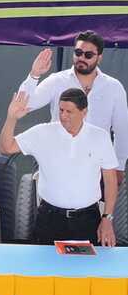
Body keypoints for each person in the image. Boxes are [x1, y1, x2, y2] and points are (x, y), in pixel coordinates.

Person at [0, 89, 118, 247]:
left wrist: (107, 218)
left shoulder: (100, 137)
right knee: (44, 269)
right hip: (49, 218)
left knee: (85, 270)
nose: (63, 116)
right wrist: (11, 118)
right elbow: (5, 147)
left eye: (69, 111)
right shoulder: (43, 132)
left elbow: (110, 181)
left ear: (84, 112)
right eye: (61, 110)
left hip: (87, 220)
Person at [20, 30, 128, 183]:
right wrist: (34, 75)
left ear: (100, 57)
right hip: (58, 160)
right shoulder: (57, 81)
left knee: (99, 207)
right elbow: (25, 104)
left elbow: (122, 130)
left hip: (96, 164)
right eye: (78, 52)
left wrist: (119, 166)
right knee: (50, 205)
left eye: (88, 55)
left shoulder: (113, 87)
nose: (81, 58)